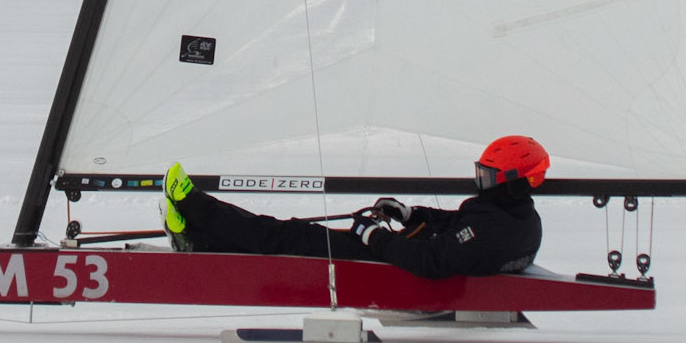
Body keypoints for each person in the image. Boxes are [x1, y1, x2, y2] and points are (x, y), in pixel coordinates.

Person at [162, 135, 549, 278]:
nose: (480, 183)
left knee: (287, 235)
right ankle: (199, 236)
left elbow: (429, 262)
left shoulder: (495, 228)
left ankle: (194, 210)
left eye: (488, 177)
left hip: (391, 262)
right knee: (288, 234)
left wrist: (371, 236)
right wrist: (410, 214)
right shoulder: (516, 217)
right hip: (397, 252)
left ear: (517, 180)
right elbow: (458, 226)